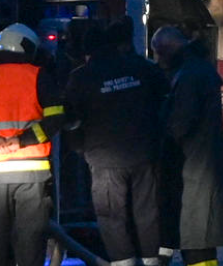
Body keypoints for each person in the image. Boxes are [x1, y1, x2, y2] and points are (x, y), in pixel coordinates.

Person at [0, 23, 65, 266]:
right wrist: (22, 140)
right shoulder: (38, 76)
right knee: (30, 239)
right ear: (27, 47)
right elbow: (56, 118)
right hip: (32, 174)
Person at [66, 17, 168, 266]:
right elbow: (165, 100)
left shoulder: (82, 77)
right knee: (147, 212)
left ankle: (124, 262)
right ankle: (152, 261)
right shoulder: (142, 68)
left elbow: (69, 120)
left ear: (87, 53)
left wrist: (82, 148)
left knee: (112, 216)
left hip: (104, 158)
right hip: (144, 153)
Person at [150, 26, 223, 266]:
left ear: (168, 50)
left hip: (195, 172)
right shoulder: (198, 69)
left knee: (196, 243)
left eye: (159, 53)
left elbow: (180, 124)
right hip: (202, 169)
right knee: (199, 243)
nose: (158, 60)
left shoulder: (188, 76)